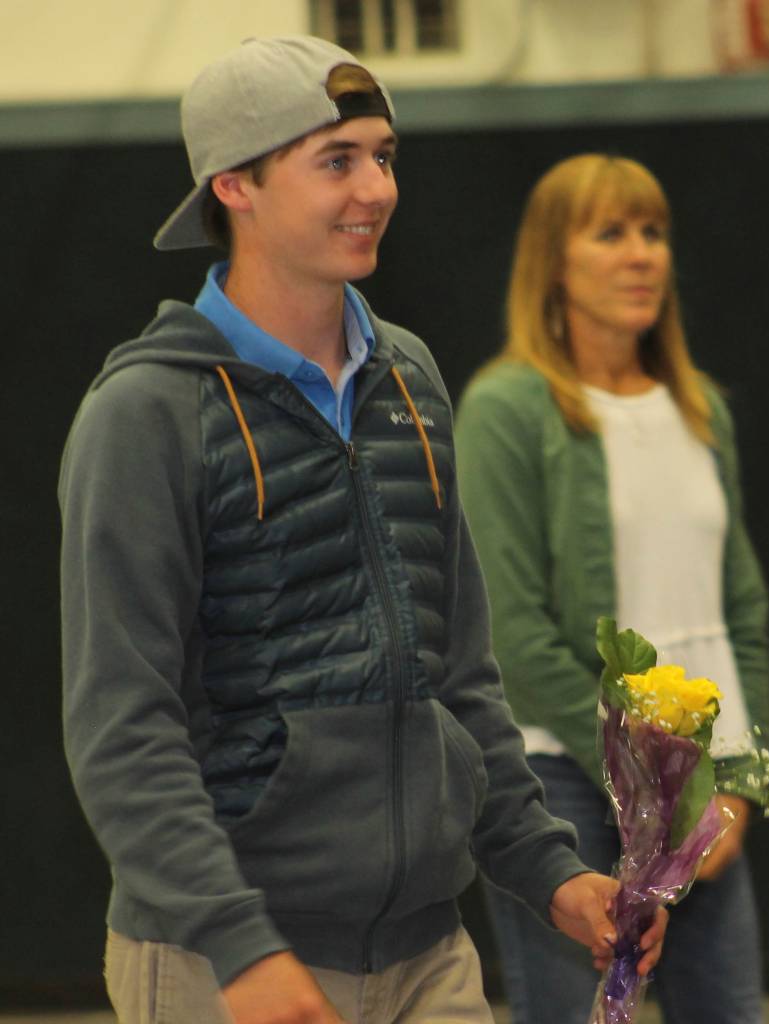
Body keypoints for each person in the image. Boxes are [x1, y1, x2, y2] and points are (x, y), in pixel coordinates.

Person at [57, 42, 666, 1024]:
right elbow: (122, 730)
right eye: (335, 160)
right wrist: (241, 945)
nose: (376, 187)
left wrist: (549, 867)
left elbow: (458, 673)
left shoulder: (410, 377)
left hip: (429, 951)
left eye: (384, 155)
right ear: (234, 185)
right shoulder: (146, 413)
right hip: (231, 962)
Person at [454, 152, 769, 1024]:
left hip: (703, 799)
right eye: (611, 233)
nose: (641, 255)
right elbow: (512, 638)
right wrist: (652, 785)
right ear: (553, 262)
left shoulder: (700, 406)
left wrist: (730, 786)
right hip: (564, 786)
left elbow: (740, 617)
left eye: (653, 233)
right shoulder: (508, 408)